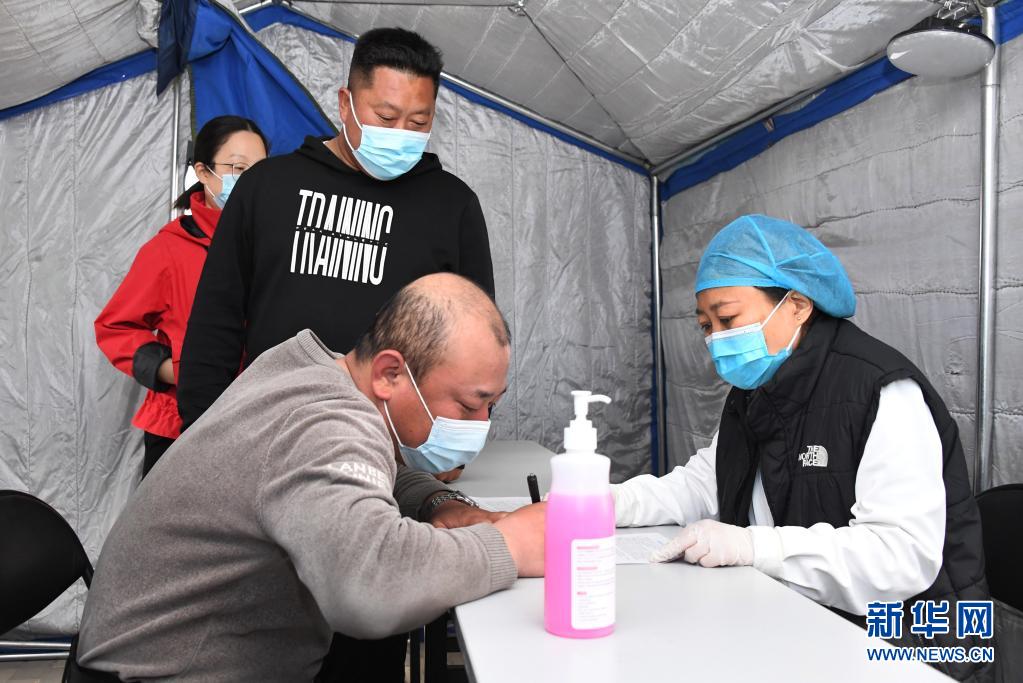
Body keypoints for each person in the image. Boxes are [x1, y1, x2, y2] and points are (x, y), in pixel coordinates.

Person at [74, 274, 545, 681]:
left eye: (490, 406)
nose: (481, 425)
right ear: (389, 374)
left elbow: (372, 470)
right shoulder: (328, 423)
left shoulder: (311, 372)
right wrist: (512, 546)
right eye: (468, 405)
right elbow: (370, 585)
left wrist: (438, 503)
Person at [613, 215, 990, 682]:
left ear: (796, 305)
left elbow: (901, 554)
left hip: (909, 649)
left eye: (727, 319)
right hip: (805, 625)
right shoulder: (755, 391)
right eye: (705, 326)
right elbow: (704, 483)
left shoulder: (880, 390)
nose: (716, 341)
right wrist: (609, 502)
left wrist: (755, 546)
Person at [177, 27, 494, 432]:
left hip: (394, 442)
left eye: (419, 121)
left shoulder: (453, 206)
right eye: (385, 117)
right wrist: (204, 432)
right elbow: (215, 320)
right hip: (273, 430)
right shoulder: (268, 187)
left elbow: (477, 340)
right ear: (345, 105)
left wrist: (458, 432)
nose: (400, 134)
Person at [94, 116, 268, 476]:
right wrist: (170, 371)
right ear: (203, 173)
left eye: (260, 171)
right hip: (180, 425)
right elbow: (115, 327)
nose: (250, 181)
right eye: (238, 168)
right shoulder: (168, 249)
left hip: (257, 422)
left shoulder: (274, 246)